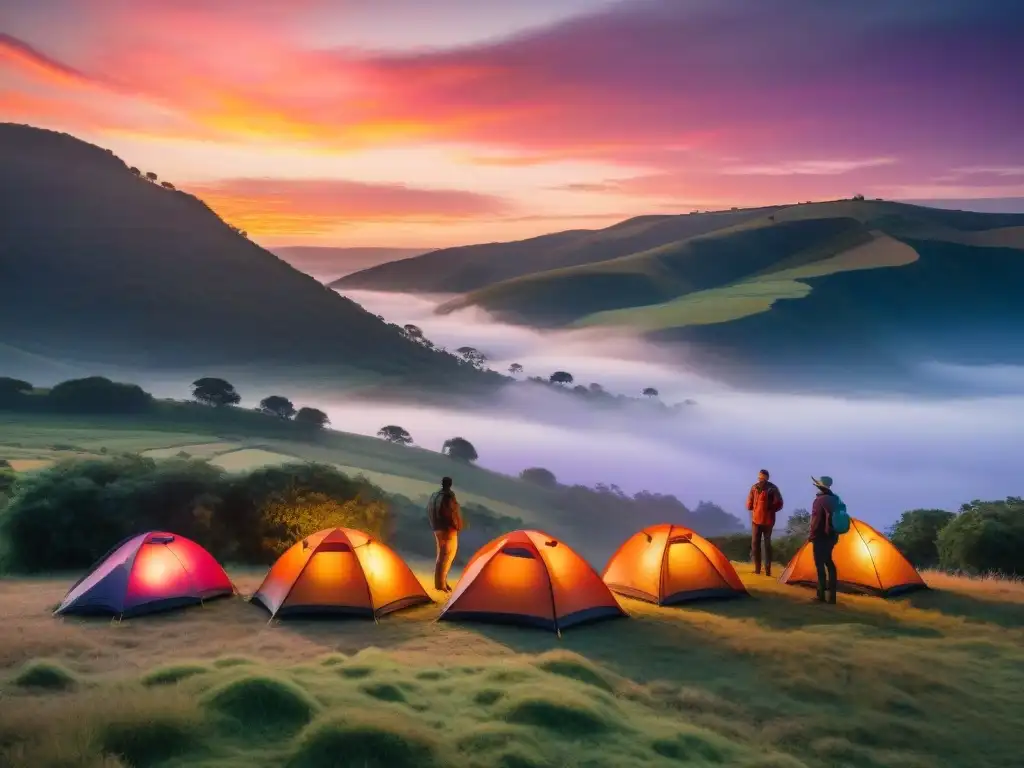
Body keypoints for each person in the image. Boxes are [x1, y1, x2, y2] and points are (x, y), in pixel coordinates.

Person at [427, 476, 463, 592]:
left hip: (436, 528)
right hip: (448, 529)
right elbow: (451, 512)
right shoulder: (448, 496)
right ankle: (441, 585)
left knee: (441, 556)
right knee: (447, 556)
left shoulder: (435, 495)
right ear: (450, 484)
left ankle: (441, 582)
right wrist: (457, 526)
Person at [746, 469, 784, 576]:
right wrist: (751, 505)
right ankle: (757, 569)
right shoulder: (754, 488)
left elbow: (779, 503)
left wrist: (769, 508)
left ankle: (767, 570)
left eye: (762, 477)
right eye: (759, 477)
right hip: (756, 521)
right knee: (755, 544)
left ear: (767, 478)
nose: (760, 479)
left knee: (766, 545)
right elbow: (749, 504)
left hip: (768, 521)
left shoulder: (772, 489)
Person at [808, 475, 839, 604]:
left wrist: (812, 536)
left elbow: (816, 521)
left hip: (820, 536)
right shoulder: (835, 499)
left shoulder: (819, 501)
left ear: (820, 487)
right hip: (832, 536)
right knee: (829, 563)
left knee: (819, 565)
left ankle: (820, 595)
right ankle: (832, 596)